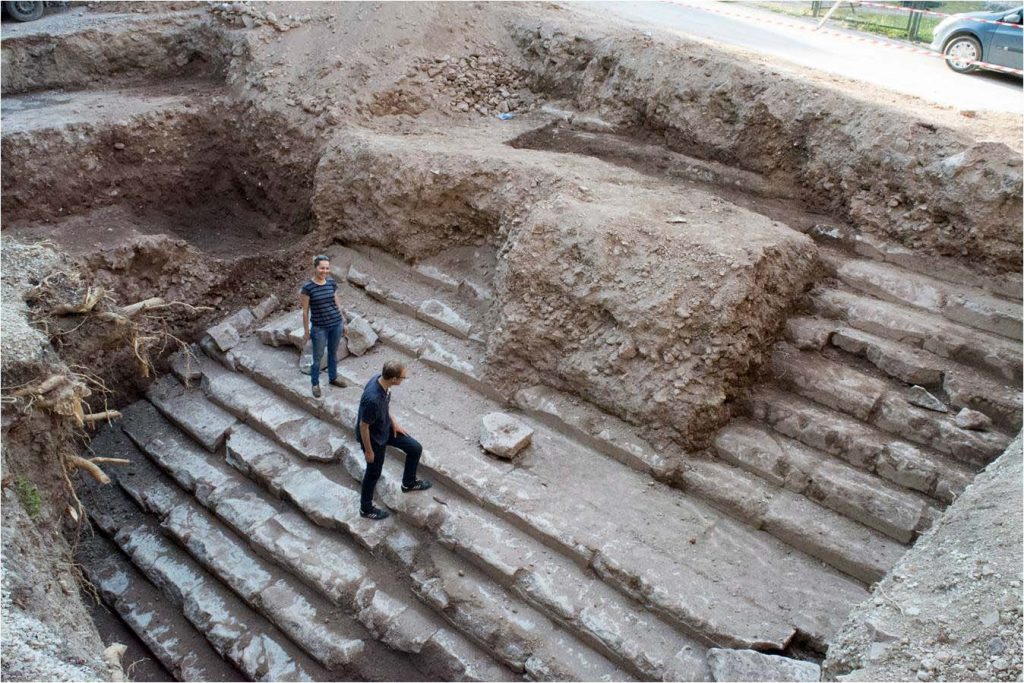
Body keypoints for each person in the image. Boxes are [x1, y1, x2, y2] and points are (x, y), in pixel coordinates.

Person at [356, 360, 431, 520]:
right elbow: (363, 426)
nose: (404, 380)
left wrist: (394, 422)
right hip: (373, 439)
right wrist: (369, 451)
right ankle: (366, 508)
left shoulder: (381, 382)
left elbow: (385, 407)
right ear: (394, 379)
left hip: (385, 428)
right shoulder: (373, 399)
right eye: (403, 377)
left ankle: (408, 483)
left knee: (415, 448)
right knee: (373, 473)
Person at [300, 254, 347, 398]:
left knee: (333, 353)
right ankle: (315, 383)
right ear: (315, 268)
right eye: (322, 268)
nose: (324, 271)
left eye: (327, 268)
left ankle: (333, 378)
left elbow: (337, 302)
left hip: (336, 324)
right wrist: (306, 331)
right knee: (317, 358)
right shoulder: (308, 288)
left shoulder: (331, 283)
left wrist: (343, 321)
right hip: (319, 328)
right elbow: (305, 312)